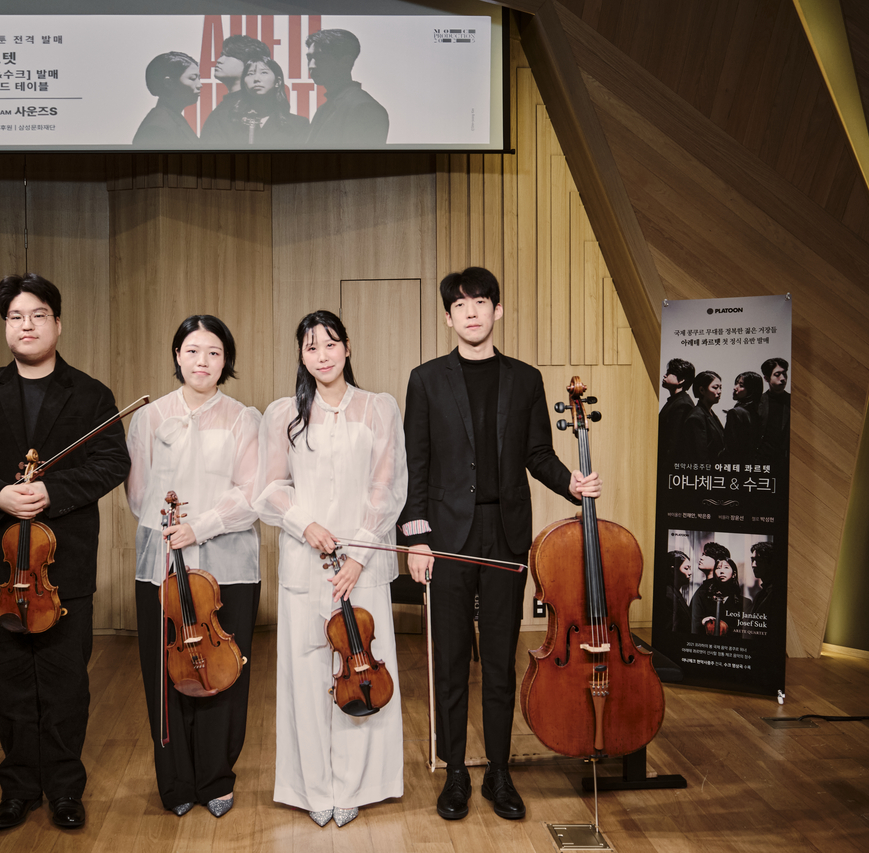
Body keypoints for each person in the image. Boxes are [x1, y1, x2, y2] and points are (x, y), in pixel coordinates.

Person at [399, 267, 601, 822]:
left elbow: (537, 454)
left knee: (499, 662)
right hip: (446, 537)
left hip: (506, 535)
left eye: (481, 302)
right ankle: (456, 772)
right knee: (450, 661)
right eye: (460, 305)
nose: (471, 312)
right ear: (448, 317)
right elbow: (416, 463)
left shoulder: (525, 378)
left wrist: (571, 483)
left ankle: (499, 771)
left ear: (498, 310)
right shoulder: (426, 379)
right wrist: (416, 538)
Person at [0, 273, 131, 832]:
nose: (26, 325)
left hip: (61, 565)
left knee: (65, 682)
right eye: (15, 317)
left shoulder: (91, 394)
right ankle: (19, 789)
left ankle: (66, 789)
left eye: (37, 315)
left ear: (57, 323)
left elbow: (111, 463)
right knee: (6, 683)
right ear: (6, 326)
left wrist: (53, 491)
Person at [255, 310, 406, 828]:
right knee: (308, 674)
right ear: (301, 355)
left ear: (347, 347)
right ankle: (313, 787)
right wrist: (305, 524)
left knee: (361, 673)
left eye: (330, 343)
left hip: (362, 563)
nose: (322, 354)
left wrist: (360, 554)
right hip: (306, 560)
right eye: (311, 346)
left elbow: (388, 488)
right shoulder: (283, 414)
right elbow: (269, 488)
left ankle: (358, 786)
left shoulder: (379, 408)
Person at [124, 315, 262, 820]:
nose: (202, 361)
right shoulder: (149, 418)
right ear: (177, 356)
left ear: (226, 361)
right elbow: (139, 495)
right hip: (162, 565)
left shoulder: (244, 418)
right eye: (192, 351)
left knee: (224, 670)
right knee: (166, 672)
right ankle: (176, 780)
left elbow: (252, 494)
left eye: (214, 352)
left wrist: (200, 527)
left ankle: (217, 776)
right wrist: (173, 532)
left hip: (229, 567)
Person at [304, 29, 389, 146]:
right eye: (309, 58)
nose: (311, 65)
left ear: (346, 61)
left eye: (321, 58)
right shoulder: (324, 108)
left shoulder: (364, 108)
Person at [202, 58, 309, 147]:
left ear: (278, 82)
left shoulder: (298, 125)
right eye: (250, 74)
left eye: (264, 72)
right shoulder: (224, 120)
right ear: (244, 83)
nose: (256, 79)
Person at [200, 34, 272, 143]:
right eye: (221, 55)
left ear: (249, 64)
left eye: (229, 56)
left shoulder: (248, 109)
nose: (219, 60)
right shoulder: (232, 105)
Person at [133, 52, 202, 148]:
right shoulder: (157, 128)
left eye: (199, 78)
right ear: (168, 83)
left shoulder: (172, 118)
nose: (199, 85)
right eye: (192, 78)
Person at [692, 556, 750, 637]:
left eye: (726, 567)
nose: (722, 571)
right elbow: (693, 622)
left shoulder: (745, 603)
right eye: (718, 568)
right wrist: (703, 622)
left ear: (734, 574)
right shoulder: (703, 596)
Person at [676, 370, 724, 464]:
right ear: (702, 390)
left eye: (720, 388)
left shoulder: (710, 414)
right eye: (715, 387)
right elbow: (700, 456)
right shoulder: (697, 417)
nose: (719, 391)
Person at [718, 371, 763, 465]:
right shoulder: (756, 413)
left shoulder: (735, 413)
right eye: (736, 383)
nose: (735, 388)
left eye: (741, 385)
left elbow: (730, 448)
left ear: (751, 390)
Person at [658, 358, 695, 460]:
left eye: (669, 373)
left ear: (681, 380)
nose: (664, 375)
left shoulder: (683, 404)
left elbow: (674, 443)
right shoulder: (676, 401)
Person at [756, 357, 790, 464]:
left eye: (784, 373)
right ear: (766, 378)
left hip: (785, 461)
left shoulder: (793, 401)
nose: (783, 378)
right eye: (777, 374)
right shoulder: (758, 402)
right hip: (762, 460)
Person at [660, 549, 693, 633]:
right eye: (686, 568)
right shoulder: (668, 595)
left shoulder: (674, 592)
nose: (690, 572)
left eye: (690, 568)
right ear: (673, 570)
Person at [750, 540, 780, 614]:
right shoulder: (759, 595)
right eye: (752, 560)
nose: (753, 565)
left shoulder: (777, 593)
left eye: (759, 560)